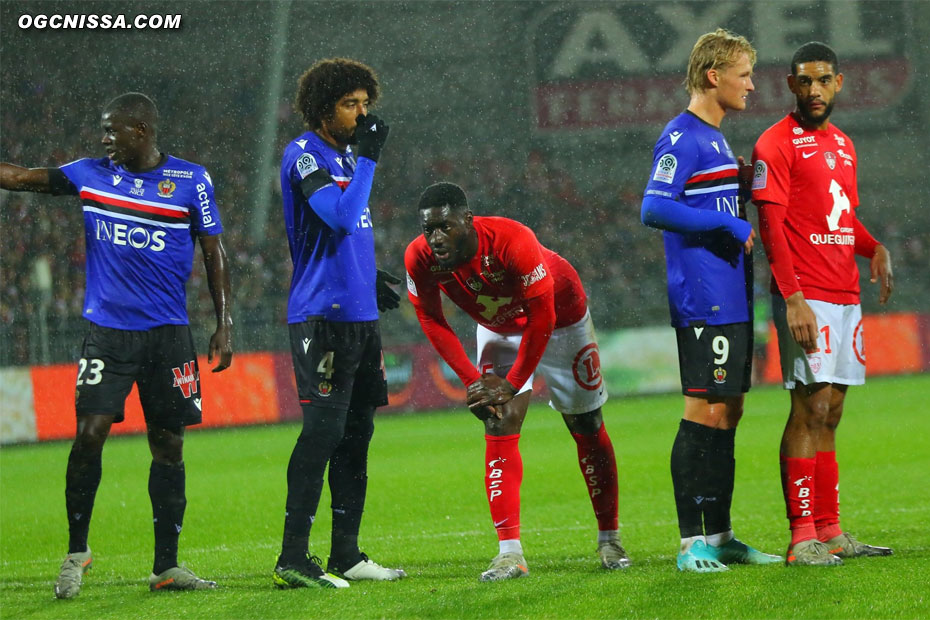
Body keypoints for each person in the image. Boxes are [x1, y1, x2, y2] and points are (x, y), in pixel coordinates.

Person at [0, 92, 233, 596]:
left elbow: (214, 251)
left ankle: (166, 567)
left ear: (142, 131)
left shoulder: (193, 181)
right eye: (103, 131)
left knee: (169, 445)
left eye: (112, 131)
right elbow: (18, 177)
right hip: (108, 334)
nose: (104, 140)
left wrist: (224, 321)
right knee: (89, 434)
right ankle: (77, 553)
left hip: (169, 336)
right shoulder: (90, 173)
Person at [405, 182, 629, 582]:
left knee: (587, 425)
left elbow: (541, 316)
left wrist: (513, 382)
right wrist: (476, 382)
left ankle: (609, 538)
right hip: (497, 326)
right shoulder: (419, 258)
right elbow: (431, 319)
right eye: (428, 229)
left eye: (445, 227)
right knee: (496, 418)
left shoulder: (511, 240)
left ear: (467, 220)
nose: (435, 238)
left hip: (561, 319)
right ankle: (510, 554)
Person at [640, 29, 780, 572]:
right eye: (743, 74)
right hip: (705, 301)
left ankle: (720, 536)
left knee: (731, 411)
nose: (751, 84)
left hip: (734, 296)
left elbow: (706, 197)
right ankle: (687, 543)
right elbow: (654, 207)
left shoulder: (717, 139)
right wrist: (724, 218)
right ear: (712, 76)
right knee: (703, 410)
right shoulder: (682, 137)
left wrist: (736, 191)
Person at [751, 41, 894, 566]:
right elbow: (770, 225)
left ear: (839, 82)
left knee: (831, 412)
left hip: (844, 294)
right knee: (807, 406)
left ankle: (832, 532)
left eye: (823, 80)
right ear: (790, 84)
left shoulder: (844, 146)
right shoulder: (775, 145)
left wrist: (873, 246)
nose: (813, 90)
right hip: (804, 295)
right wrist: (792, 298)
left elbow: (842, 218)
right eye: (804, 81)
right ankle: (801, 536)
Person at [274, 57, 405, 590]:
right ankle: (291, 558)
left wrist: (364, 275)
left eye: (364, 104)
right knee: (322, 432)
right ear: (323, 109)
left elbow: (348, 233)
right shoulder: (304, 155)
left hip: (359, 317)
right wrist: (370, 158)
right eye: (350, 105)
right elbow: (341, 216)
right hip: (321, 319)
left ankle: (346, 554)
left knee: (356, 436)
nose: (361, 114)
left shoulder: (348, 156)